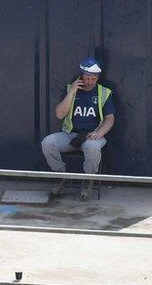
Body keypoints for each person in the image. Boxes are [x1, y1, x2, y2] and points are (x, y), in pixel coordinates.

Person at [41, 57, 117, 201]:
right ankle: (61, 176)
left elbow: (110, 119)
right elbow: (59, 114)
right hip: (70, 134)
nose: (89, 81)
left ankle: (88, 180)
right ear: (81, 76)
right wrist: (72, 92)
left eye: (93, 79)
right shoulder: (70, 89)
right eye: (87, 78)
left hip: (92, 136)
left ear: (97, 78)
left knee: (93, 148)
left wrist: (99, 133)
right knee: (48, 142)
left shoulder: (104, 93)